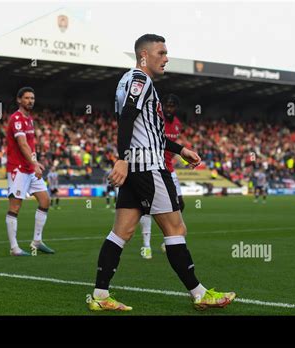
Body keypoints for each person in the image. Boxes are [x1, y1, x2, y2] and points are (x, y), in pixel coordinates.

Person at [87, 34, 236, 311]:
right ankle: (199, 293)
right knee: (176, 228)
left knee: (121, 232)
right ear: (144, 55)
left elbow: (150, 130)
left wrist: (179, 149)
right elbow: (128, 118)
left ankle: (100, 295)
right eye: (161, 53)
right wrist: (121, 158)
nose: (166, 58)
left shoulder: (132, 81)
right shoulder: (140, 80)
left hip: (137, 167)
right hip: (149, 169)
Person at [5, 87, 55, 256]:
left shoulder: (30, 120)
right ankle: (14, 248)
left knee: (45, 200)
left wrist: (35, 163)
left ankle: (37, 241)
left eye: (32, 98)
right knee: (15, 207)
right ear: (19, 100)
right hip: (18, 169)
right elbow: (22, 144)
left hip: (30, 168)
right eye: (26, 98)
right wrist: (34, 163)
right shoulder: (16, 119)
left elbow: (30, 145)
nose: (30, 101)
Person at [140, 94, 185, 258]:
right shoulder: (156, 120)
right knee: (147, 207)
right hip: (153, 166)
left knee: (180, 204)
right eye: (167, 105)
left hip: (169, 168)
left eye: (172, 106)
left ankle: (169, 240)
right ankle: (146, 246)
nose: (169, 108)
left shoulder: (178, 125)